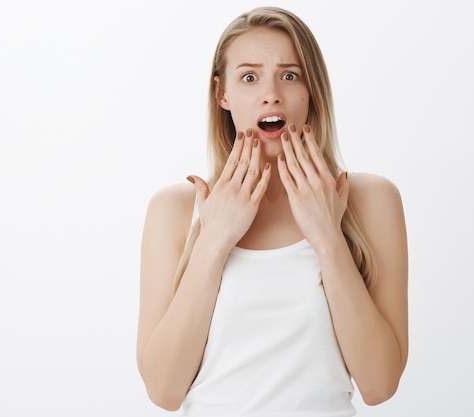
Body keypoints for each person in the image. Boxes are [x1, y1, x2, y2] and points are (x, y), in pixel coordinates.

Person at [136, 6, 408, 416]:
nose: (271, 94)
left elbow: (380, 384)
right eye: (249, 77)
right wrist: (214, 240)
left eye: (290, 75)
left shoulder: (370, 200)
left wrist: (327, 236)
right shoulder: (174, 210)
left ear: (311, 88)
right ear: (221, 94)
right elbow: (164, 390)